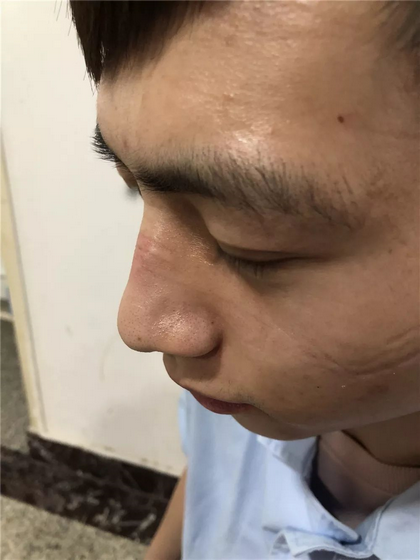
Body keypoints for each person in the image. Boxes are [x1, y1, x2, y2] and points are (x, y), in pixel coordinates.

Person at [70, 2, 420, 558]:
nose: (138, 323)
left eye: (250, 245)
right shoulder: (244, 395)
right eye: (133, 186)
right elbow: (214, 478)